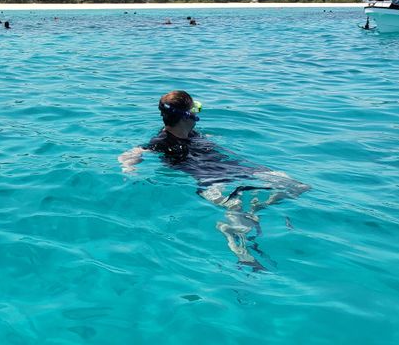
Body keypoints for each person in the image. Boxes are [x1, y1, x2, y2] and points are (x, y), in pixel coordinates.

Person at [118, 90, 310, 270]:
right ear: (187, 115)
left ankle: (255, 208)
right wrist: (129, 167)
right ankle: (237, 241)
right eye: (195, 109)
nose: (197, 113)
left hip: (237, 169)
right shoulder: (161, 141)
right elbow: (131, 153)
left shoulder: (193, 134)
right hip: (209, 179)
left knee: (297, 186)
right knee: (235, 207)